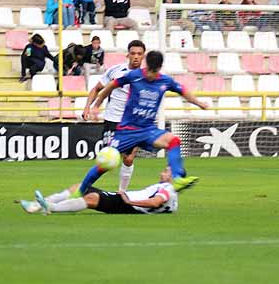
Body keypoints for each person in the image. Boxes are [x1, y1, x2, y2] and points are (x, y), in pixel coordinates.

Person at [71, 49, 207, 196]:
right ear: (146, 66)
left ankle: (178, 178)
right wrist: (97, 105)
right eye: (149, 71)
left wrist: (199, 103)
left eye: (154, 72)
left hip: (147, 130)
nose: (151, 75)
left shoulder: (165, 80)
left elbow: (183, 90)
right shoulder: (134, 76)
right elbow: (110, 86)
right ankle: (80, 190)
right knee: (107, 163)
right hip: (127, 130)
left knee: (173, 141)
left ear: (159, 69)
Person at [81, 40, 146, 191]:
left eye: (139, 54)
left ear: (143, 56)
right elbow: (96, 89)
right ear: (128, 55)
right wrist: (87, 107)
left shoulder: (146, 76)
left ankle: (122, 192)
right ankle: (84, 188)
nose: (136, 57)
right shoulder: (115, 71)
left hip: (132, 123)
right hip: (112, 120)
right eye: (133, 53)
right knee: (107, 161)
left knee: (128, 159)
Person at [22, 166, 179, 215]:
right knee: (79, 187)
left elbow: (156, 201)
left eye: (166, 171)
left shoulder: (167, 188)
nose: (161, 173)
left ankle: (51, 208)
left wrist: (130, 201)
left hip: (129, 205)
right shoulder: (169, 190)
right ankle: (37, 205)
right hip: (125, 199)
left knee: (92, 199)